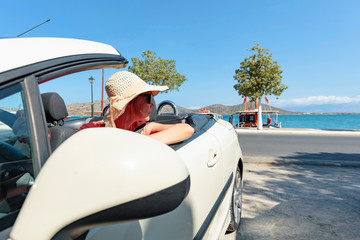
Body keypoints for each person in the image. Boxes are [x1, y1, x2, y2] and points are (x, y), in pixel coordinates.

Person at [76, 71, 194, 145]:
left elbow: (186, 129)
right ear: (131, 101)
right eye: (149, 98)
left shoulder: (141, 128)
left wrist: (141, 142)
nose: (152, 105)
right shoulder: (91, 130)